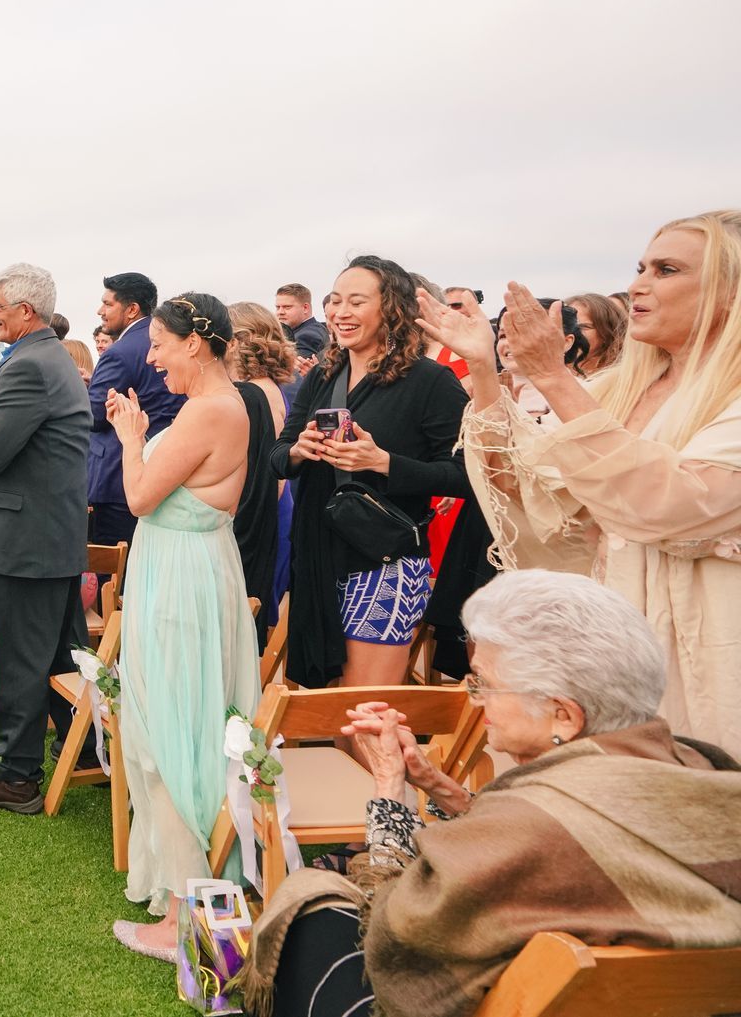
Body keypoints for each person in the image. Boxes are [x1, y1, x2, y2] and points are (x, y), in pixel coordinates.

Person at [240, 570, 741, 1017]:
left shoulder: (531, 823)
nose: (477, 701)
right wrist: (441, 789)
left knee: (313, 908)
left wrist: (390, 789)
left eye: (484, 684)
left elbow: (395, 925)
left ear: (563, 715)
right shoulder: (701, 770)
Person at [420, 209, 741, 754]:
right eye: (641, 267)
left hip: (705, 638)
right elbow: (535, 492)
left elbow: (664, 501)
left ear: (729, 290)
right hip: (613, 639)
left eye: (666, 270)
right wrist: (481, 367)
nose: (638, 285)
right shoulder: (622, 385)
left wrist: (551, 376)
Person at [102, 293, 259, 962]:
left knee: (172, 733)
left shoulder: (211, 409)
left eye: (160, 345)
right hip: (186, 570)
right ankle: (183, 892)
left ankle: (188, 913)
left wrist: (132, 439)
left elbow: (138, 496)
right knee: (179, 724)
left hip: (182, 586)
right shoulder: (223, 406)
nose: (155, 358)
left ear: (194, 342)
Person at [271, 255, 469, 690]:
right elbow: (277, 456)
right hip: (318, 557)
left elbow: (465, 475)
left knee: (364, 711)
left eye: (357, 302)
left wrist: (383, 462)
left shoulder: (429, 381)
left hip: (385, 562)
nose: (341, 312)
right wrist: (300, 451)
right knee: (328, 708)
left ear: (392, 309)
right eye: (336, 301)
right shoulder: (325, 373)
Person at [0, 264, 92, 814]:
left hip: (27, 543)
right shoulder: (45, 358)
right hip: (44, 538)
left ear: (25, 312)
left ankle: (16, 774)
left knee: (22, 661)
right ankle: (89, 752)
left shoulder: (30, 366)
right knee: (61, 655)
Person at [87, 271, 184, 547]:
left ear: (131, 309)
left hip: (119, 480)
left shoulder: (120, 352)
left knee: (115, 579)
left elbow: (94, 414)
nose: (100, 311)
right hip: (165, 467)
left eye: (108, 304)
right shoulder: (168, 340)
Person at [226, 300, 293, 618]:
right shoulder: (259, 388)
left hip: (264, 515)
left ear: (237, 341)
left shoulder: (259, 392)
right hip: (261, 510)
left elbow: (272, 472)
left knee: (253, 609)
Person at [566, 290, 628, 378]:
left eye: (583, 327)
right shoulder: (548, 372)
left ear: (608, 332)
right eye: (564, 326)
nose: (571, 333)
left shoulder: (622, 378)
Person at [275, 282, 328, 360]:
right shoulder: (317, 328)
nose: (280, 312)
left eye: (287, 307)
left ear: (305, 308)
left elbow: (297, 371)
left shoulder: (305, 337)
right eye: (277, 307)